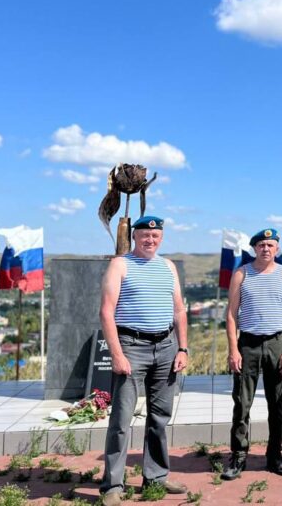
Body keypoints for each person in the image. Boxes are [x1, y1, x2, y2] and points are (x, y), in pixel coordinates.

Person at [99, 215, 189, 505]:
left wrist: (183, 348)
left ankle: (157, 476)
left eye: (155, 235)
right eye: (145, 235)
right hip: (131, 346)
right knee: (121, 419)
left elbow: (179, 310)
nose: (150, 240)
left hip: (166, 347)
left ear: (161, 238)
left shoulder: (168, 266)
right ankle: (113, 485)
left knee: (160, 417)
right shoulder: (120, 265)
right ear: (135, 236)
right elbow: (106, 312)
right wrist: (116, 354)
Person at [221, 227, 282, 480]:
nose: (266, 249)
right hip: (249, 343)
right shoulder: (241, 274)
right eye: (262, 245)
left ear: (277, 248)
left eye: (270, 245)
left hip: (277, 342)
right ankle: (238, 455)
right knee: (242, 403)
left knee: (277, 404)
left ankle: (275, 455)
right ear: (254, 248)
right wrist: (233, 349)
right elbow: (231, 314)